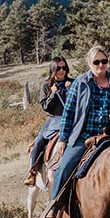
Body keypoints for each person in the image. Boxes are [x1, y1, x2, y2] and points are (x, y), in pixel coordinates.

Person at [41, 46, 110, 218]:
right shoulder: (80, 83)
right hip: (84, 136)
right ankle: (54, 206)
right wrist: (63, 140)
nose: (101, 65)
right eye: (96, 62)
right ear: (89, 64)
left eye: (104, 61)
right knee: (65, 167)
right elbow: (69, 112)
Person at [24, 58, 72, 186]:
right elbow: (45, 106)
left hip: (70, 118)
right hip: (53, 119)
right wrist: (52, 94)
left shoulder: (72, 83)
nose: (62, 71)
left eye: (64, 68)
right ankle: (32, 171)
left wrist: (71, 90)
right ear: (53, 69)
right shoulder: (46, 85)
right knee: (39, 141)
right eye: (59, 68)